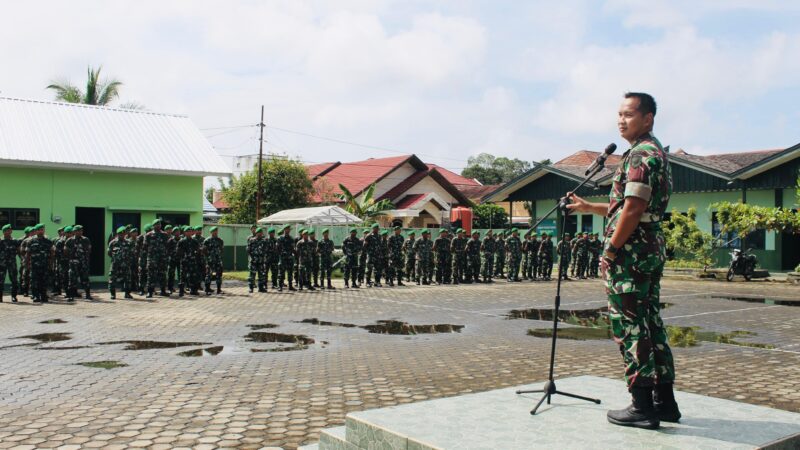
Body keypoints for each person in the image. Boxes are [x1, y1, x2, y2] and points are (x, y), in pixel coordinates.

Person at [567, 92, 677, 430]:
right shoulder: (652, 152)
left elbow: (633, 209)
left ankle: (641, 407)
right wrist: (590, 208)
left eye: (628, 114)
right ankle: (664, 402)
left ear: (647, 119)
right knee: (649, 324)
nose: (621, 120)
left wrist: (611, 249)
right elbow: (627, 206)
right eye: (619, 114)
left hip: (630, 255)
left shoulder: (641, 156)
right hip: (646, 249)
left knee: (630, 328)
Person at [27, 224, 53, 303]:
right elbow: (28, 253)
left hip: (45, 265)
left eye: (42, 229)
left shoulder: (48, 241)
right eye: (39, 230)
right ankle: (36, 296)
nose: (41, 231)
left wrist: (51, 264)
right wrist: (27, 264)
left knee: (44, 281)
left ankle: (44, 296)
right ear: (36, 231)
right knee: (34, 281)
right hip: (34, 265)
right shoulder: (31, 241)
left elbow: (52, 253)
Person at [108, 226, 134, 299]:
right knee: (112, 279)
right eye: (120, 234)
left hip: (126, 264)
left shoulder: (129, 242)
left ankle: (127, 293)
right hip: (115, 264)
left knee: (127, 279)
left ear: (125, 234)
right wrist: (116, 259)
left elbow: (132, 253)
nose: (121, 235)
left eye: (123, 234)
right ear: (117, 234)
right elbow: (109, 253)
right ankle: (113, 294)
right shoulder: (113, 243)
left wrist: (128, 260)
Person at [203, 226, 224, 294]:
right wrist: (208, 257)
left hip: (218, 260)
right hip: (210, 260)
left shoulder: (220, 240)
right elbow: (204, 250)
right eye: (213, 231)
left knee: (219, 275)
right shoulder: (207, 240)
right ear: (211, 232)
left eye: (216, 231)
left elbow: (221, 249)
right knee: (208, 275)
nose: (215, 232)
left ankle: (219, 289)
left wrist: (219, 256)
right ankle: (207, 289)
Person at [247, 227, 267, 293]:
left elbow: (265, 250)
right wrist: (252, 256)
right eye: (258, 233)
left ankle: (261, 288)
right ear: (256, 233)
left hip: (261, 261)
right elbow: (248, 250)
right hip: (253, 261)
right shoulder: (251, 240)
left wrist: (263, 256)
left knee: (261, 275)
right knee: (252, 275)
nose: (260, 234)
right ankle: (251, 288)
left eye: (261, 233)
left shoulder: (264, 241)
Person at [277, 225, 296, 291]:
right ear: (284, 230)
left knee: (290, 272)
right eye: (286, 229)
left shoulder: (291, 239)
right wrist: (281, 255)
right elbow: (277, 248)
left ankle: (290, 286)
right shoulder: (280, 238)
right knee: (281, 273)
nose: (288, 230)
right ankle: (280, 286)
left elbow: (293, 248)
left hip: (290, 258)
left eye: (289, 229)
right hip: (283, 258)